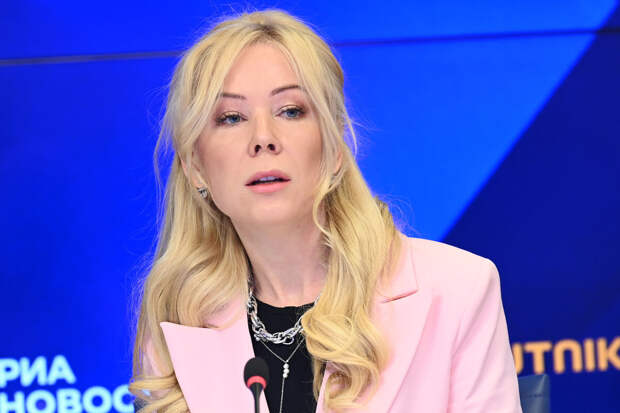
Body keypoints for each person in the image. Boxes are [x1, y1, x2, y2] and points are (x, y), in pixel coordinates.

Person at [128, 9, 522, 413]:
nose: (263, 138)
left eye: (290, 111)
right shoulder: (180, 316)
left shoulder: (458, 289)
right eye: (231, 118)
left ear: (334, 147)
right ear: (195, 167)